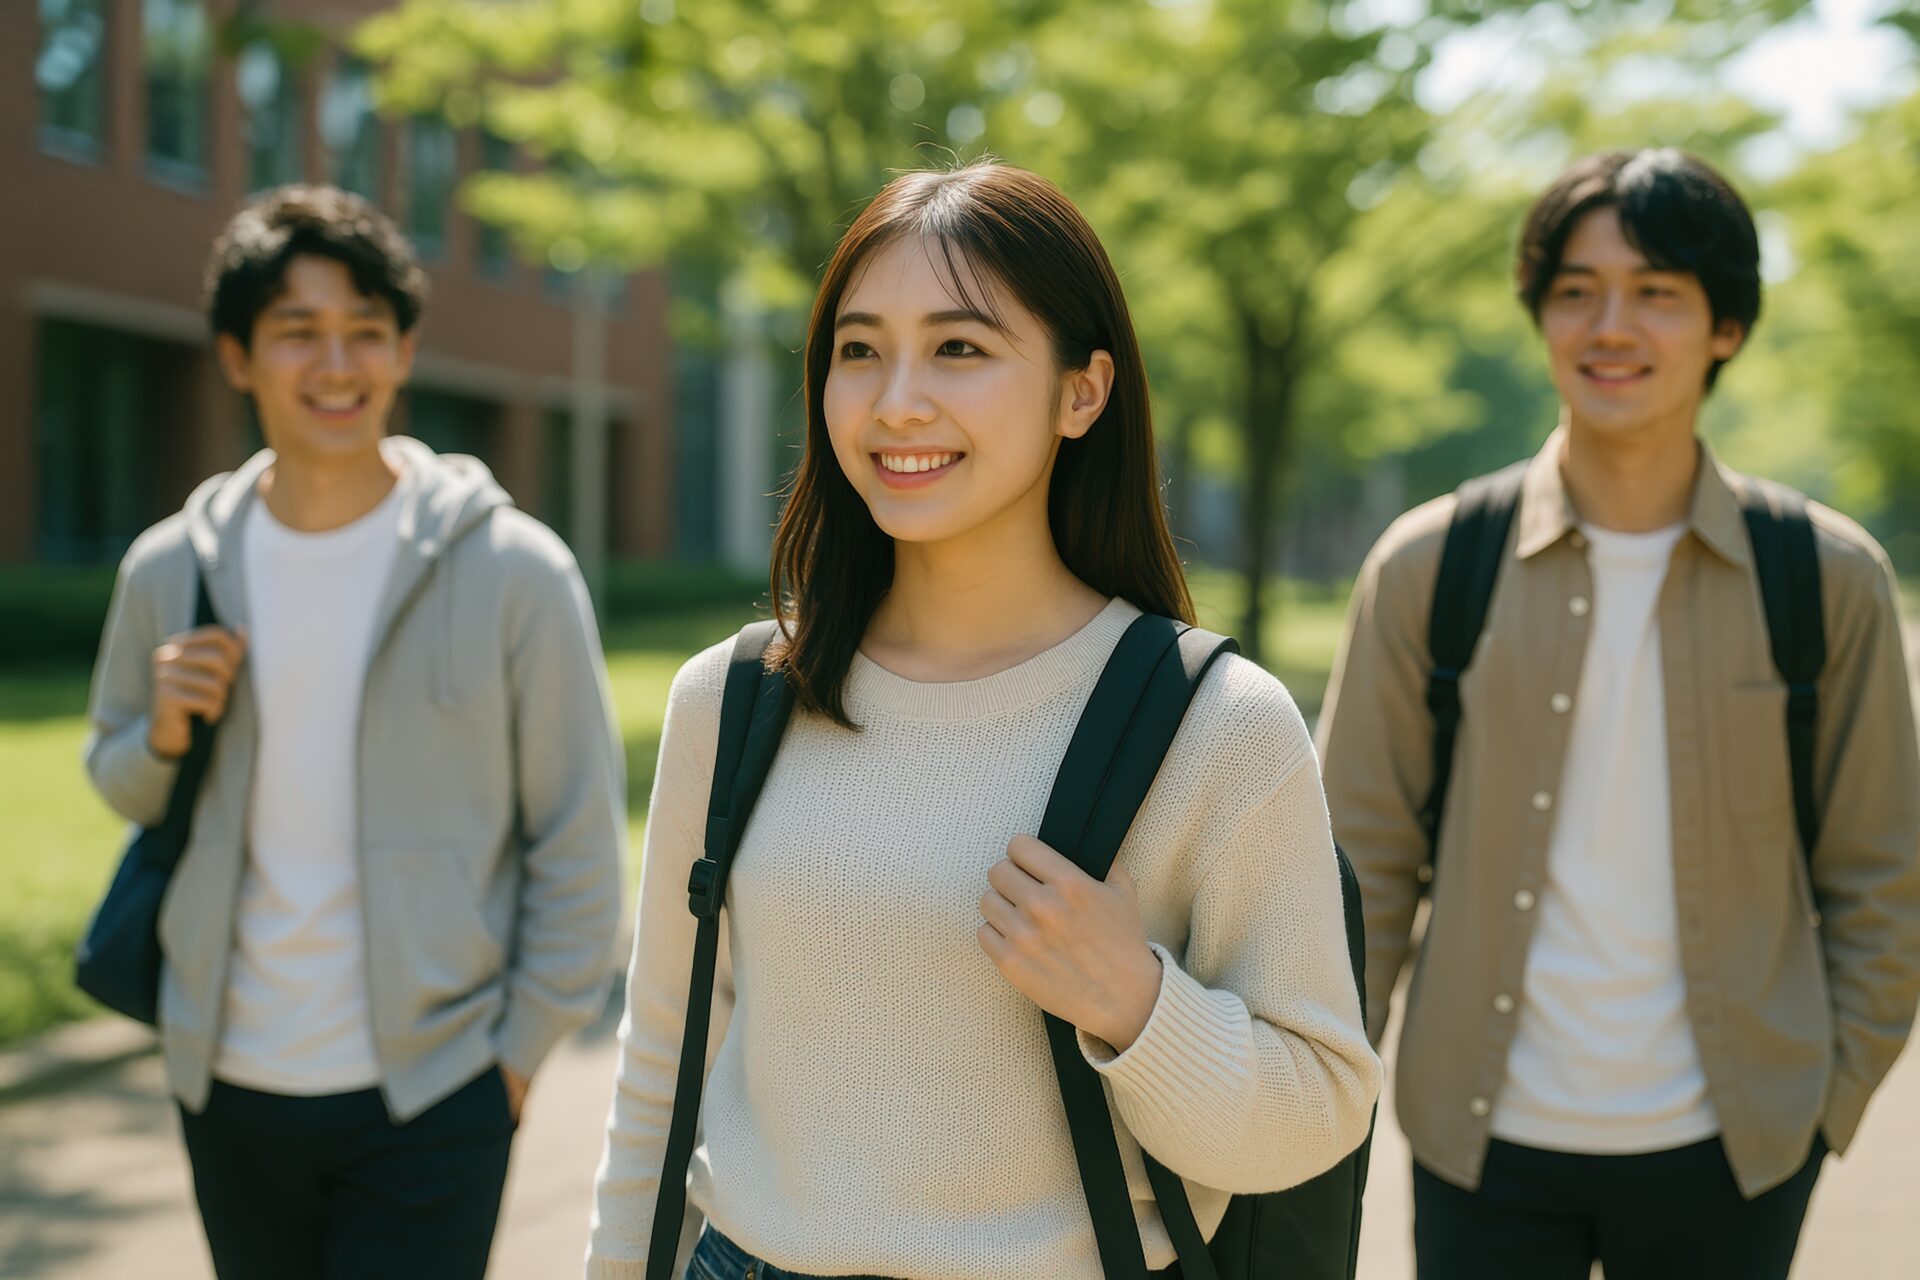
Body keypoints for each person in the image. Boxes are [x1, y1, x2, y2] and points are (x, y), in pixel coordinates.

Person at [585, 162, 1380, 1280]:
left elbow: (1322, 1103)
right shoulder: (735, 697)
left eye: (959, 347)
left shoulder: (1217, 724)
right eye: (859, 350)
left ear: (1082, 391)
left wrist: (1137, 1003)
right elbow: (659, 1072)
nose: (896, 398)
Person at [1317, 148, 1920, 1279]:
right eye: (1577, 289)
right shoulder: (1430, 567)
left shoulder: (1828, 579)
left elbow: (1882, 875)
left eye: (1657, 293)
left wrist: (1823, 1108)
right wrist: (1319, 1092)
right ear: (1540, 313)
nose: (1610, 324)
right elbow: (1359, 874)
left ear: (1724, 326)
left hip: (1734, 1148)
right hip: (1480, 1137)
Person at [81, 185, 627, 1279]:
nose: (338, 365)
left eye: (365, 332)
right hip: (225, 1084)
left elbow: (578, 841)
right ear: (237, 356)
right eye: (298, 333)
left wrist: (512, 1062)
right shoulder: (170, 568)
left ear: (404, 350)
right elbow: (120, 776)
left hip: (437, 1091)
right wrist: (167, 734)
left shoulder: (514, 570)